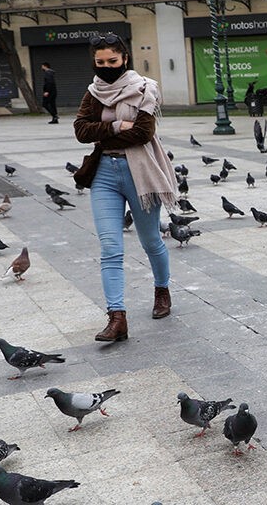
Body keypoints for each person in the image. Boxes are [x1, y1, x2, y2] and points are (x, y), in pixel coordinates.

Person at [73, 32, 177, 342]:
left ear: (124, 59)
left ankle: (162, 289)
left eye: (112, 61)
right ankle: (117, 317)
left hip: (140, 173)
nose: (105, 67)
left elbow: (144, 133)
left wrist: (102, 133)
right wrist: (118, 126)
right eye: (100, 62)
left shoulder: (145, 88)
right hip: (104, 173)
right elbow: (80, 130)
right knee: (110, 248)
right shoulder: (93, 93)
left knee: (150, 241)